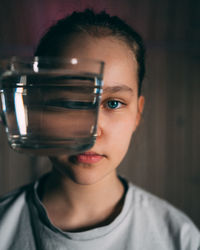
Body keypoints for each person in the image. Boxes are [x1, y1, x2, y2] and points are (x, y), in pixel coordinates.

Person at [0, 9, 199, 250]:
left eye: (114, 103)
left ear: (137, 113)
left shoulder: (180, 238)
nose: (92, 131)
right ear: (38, 109)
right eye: (70, 102)